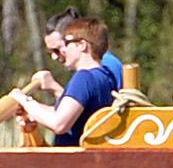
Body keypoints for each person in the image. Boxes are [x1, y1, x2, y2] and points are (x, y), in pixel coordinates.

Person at [28, 12, 126, 147]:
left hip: (77, 163)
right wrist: (35, 110)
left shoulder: (85, 77)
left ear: (82, 44)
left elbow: (59, 123)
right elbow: (79, 112)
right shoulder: (104, 75)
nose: (60, 54)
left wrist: (23, 99)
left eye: (66, 44)